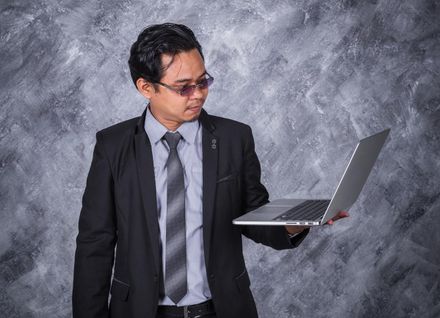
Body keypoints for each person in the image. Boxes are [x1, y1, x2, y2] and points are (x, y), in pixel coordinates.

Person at [72, 23, 348, 318]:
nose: (198, 94)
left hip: (221, 309)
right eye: (184, 87)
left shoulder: (234, 138)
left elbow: (253, 216)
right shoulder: (113, 146)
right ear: (146, 88)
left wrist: (298, 222)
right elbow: (95, 244)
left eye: (203, 82)